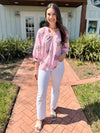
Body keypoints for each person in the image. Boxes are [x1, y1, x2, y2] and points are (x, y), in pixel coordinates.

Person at [32, 3, 69, 132]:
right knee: (41, 93)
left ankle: (52, 108)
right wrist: (36, 68)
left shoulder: (63, 31)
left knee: (56, 88)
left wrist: (63, 55)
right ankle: (40, 118)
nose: (51, 17)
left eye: (53, 14)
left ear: (57, 15)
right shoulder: (41, 32)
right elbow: (36, 51)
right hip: (43, 66)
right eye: (49, 14)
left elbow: (66, 47)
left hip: (58, 66)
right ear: (46, 16)